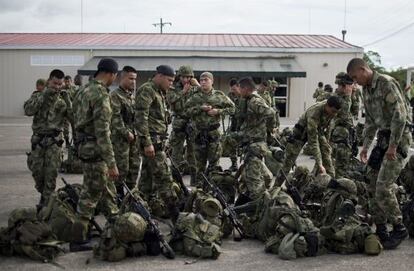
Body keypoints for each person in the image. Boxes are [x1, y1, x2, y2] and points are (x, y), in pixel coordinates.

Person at [347, 57, 412, 249]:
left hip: (397, 139)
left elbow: (399, 117)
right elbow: (371, 123)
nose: (354, 81)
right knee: (371, 182)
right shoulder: (366, 90)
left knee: (384, 186)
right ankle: (382, 228)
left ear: (362, 69)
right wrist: (365, 147)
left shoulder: (386, 83)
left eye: (354, 76)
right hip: (383, 139)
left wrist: (393, 146)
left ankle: (399, 228)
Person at [71, 58, 120, 243]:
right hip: (96, 151)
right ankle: (78, 237)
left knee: (105, 190)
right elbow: (103, 133)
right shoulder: (100, 94)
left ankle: (115, 225)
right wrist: (112, 163)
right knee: (90, 194)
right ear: (110, 74)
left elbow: (75, 121)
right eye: (115, 75)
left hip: (85, 147)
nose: (114, 79)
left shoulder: (82, 91)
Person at [135, 65, 179, 220]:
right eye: (169, 80)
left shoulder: (159, 92)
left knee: (147, 180)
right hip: (152, 142)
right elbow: (141, 117)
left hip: (158, 141)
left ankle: (138, 212)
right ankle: (175, 215)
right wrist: (147, 142)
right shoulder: (147, 90)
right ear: (159, 76)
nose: (170, 84)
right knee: (165, 177)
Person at [24, 70, 73, 210]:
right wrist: (44, 95)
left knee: (51, 175)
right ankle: (44, 195)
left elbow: (74, 120)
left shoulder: (63, 100)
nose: (57, 87)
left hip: (54, 142)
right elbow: (28, 110)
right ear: (49, 81)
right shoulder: (38, 96)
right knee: (38, 174)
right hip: (38, 142)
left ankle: (45, 205)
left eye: (60, 84)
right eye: (54, 83)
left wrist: (69, 101)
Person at [185, 72, 235, 186]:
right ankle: (199, 189)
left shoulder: (219, 95)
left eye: (206, 80)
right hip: (199, 134)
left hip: (214, 134)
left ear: (212, 81)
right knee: (199, 165)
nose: (203, 82)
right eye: (201, 80)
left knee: (214, 164)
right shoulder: (195, 97)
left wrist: (219, 111)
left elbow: (233, 109)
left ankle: (213, 187)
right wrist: (200, 109)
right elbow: (186, 111)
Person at [278, 96, 341, 181]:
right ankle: (276, 187)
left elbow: (328, 127)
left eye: (336, 112)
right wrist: (319, 163)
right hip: (301, 134)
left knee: (327, 152)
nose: (334, 114)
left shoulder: (331, 110)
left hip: (318, 131)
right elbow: (313, 141)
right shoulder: (314, 112)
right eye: (333, 111)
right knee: (288, 161)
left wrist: (327, 141)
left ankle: (330, 183)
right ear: (327, 106)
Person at [237, 77, 276, 200]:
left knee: (253, 180)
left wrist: (271, 129)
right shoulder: (249, 100)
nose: (238, 91)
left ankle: (258, 204)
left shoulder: (255, 101)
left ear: (246, 88)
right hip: (253, 143)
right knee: (265, 175)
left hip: (255, 144)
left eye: (240, 88)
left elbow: (270, 113)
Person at [110, 66, 141, 201]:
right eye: (131, 79)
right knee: (121, 169)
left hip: (133, 139)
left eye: (135, 79)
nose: (133, 82)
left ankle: (130, 196)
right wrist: (125, 132)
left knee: (134, 167)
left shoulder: (131, 97)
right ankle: (118, 195)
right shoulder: (115, 96)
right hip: (120, 140)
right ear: (122, 78)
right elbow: (115, 117)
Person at [166, 65, 199, 183]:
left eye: (189, 77)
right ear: (179, 77)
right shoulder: (173, 88)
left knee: (192, 152)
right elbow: (170, 100)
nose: (186, 79)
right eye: (184, 77)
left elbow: (207, 95)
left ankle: (194, 180)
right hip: (179, 122)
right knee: (176, 152)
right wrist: (183, 92)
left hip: (191, 122)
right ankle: (175, 180)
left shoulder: (195, 87)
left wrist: (198, 85)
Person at [330, 72, 355, 178]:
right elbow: (344, 114)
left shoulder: (345, 96)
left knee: (342, 164)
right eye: (348, 86)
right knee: (340, 166)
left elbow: (353, 111)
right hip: (339, 136)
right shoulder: (337, 98)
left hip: (345, 134)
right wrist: (349, 96)